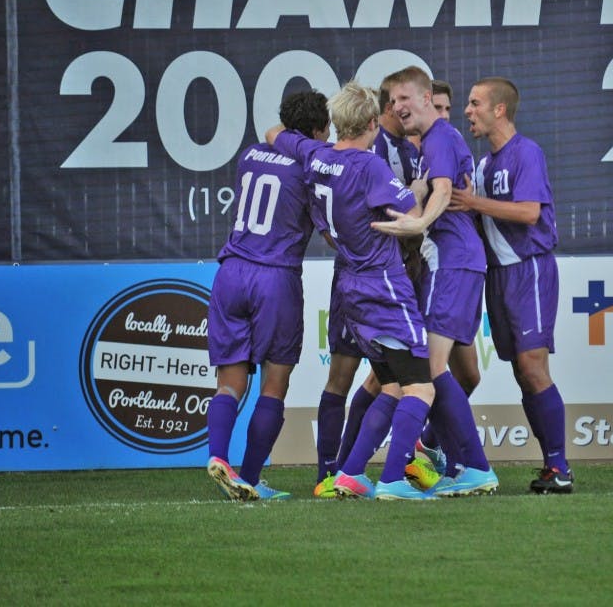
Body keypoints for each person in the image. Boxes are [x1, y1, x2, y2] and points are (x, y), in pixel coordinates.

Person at [268, 80, 437, 501]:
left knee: (391, 384)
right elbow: (412, 214)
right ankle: (395, 480)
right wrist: (416, 199)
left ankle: (350, 473)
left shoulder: (317, 156)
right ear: (369, 124)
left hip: (349, 286)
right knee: (421, 386)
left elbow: (275, 134)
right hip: (382, 283)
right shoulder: (369, 166)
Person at [372, 66, 497, 497]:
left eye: (405, 97)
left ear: (427, 98)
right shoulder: (432, 143)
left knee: (431, 369)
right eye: (392, 101)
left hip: (452, 262)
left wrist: (419, 221)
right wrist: (415, 203)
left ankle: (475, 466)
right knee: (444, 370)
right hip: (455, 263)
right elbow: (430, 185)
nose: (397, 107)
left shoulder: (440, 136)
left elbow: (443, 189)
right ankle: (457, 461)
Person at [205, 90, 331, 501]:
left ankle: (219, 458)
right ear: (316, 130)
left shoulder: (251, 155)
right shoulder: (311, 169)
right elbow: (330, 232)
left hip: (231, 271)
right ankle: (252, 478)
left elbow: (273, 137)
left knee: (229, 384)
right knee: (274, 386)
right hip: (274, 277)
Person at [450, 77, 574, 494]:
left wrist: (473, 203)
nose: (468, 111)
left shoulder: (527, 153)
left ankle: (559, 467)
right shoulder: (484, 166)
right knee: (522, 372)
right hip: (498, 275)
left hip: (529, 270)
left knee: (532, 366)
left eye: (474, 103)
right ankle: (549, 466)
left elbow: (528, 213)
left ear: (499, 109)